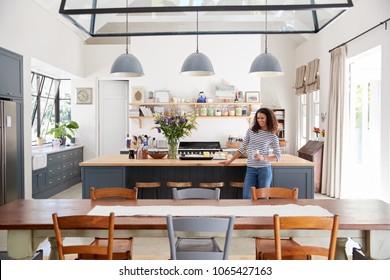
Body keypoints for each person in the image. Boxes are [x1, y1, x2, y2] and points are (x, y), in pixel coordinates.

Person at [220, 108, 281, 199]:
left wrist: (263, 158)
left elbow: (277, 157)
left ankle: (263, 214)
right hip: (251, 169)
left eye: (262, 118)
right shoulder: (251, 131)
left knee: (264, 198)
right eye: (258, 118)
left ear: (268, 118)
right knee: (247, 197)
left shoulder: (272, 136)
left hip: (264, 170)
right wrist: (230, 160)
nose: (259, 120)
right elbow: (242, 148)